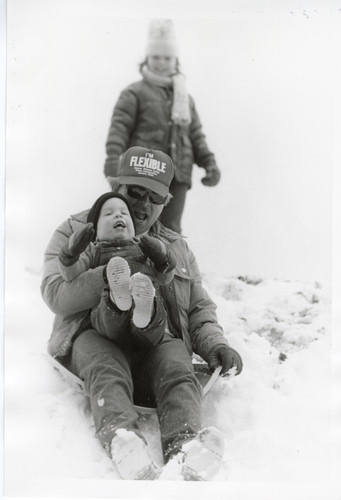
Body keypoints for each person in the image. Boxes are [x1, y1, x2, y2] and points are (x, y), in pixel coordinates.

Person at [41, 146, 243, 481]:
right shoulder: (78, 230)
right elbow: (55, 293)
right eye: (134, 193)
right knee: (105, 362)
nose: (142, 205)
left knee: (177, 363)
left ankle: (185, 449)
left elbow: (197, 306)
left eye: (154, 197)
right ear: (116, 187)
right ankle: (126, 445)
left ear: (165, 203)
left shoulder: (174, 247)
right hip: (94, 341)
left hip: (152, 344)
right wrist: (106, 275)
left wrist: (213, 344)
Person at [103, 19, 221, 234]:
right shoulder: (134, 93)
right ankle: (129, 264)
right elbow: (119, 127)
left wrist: (208, 163)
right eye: (156, 57)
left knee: (170, 227)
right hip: (144, 171)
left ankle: (168, 267)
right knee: (136, 222)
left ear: (175, 61)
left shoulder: (185, 99)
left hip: (178, 175)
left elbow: (195, 136)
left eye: (167, 58)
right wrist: (113, 157)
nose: (161, 62)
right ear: (147, 58)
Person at [58, 191, 176, 350]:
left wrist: (163, 258)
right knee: (104, 311)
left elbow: (164, 277)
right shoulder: (93, 250)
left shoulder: (143, 248)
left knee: (156, 308)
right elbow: (72, 273)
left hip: (146, 324)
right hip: (108, 322)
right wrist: (71, 252)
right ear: (96, 231)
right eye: (108, 213)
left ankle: (146, 307)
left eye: (124, 213)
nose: (118, 216)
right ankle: (116, 298)